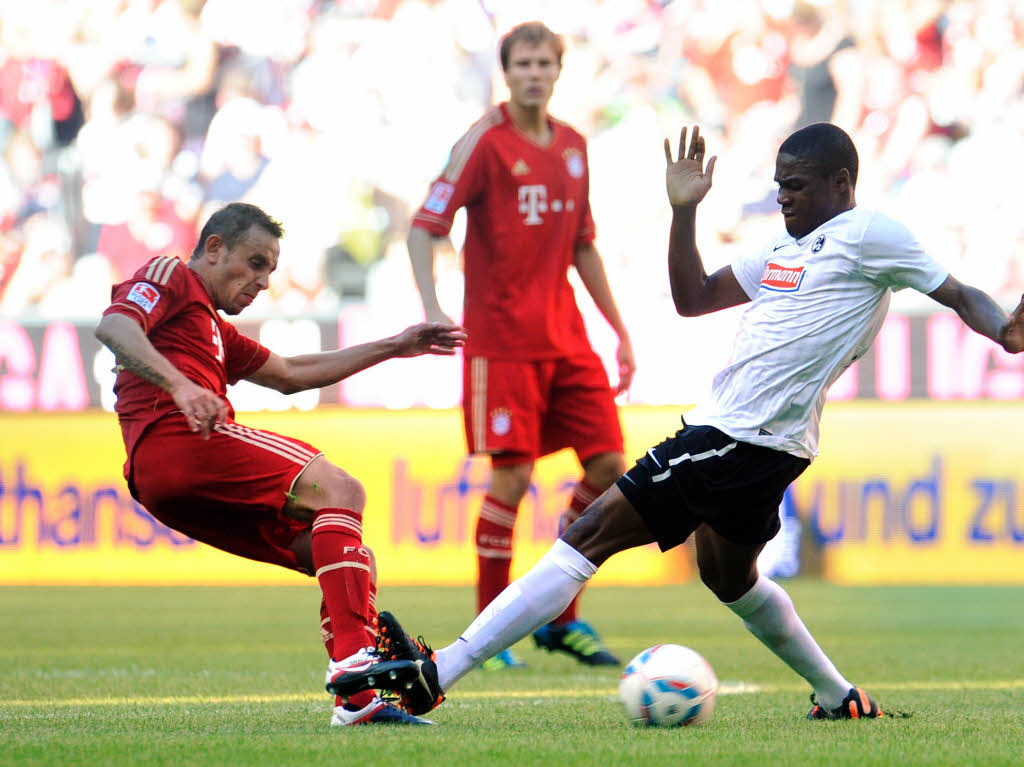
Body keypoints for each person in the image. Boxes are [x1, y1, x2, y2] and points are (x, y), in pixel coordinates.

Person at [333, 123, 1024, 720]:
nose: (782, 195)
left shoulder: (870, 233)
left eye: (797, 184)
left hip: (733, 437)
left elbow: (959, 292)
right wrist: (683, 212)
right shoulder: (780, 251)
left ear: (842, 183)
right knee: (729, 577)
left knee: (586, 533)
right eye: (779, 183)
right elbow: (692, 297)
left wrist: (1006, 333)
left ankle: (439, 672)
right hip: (765, 445)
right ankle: (837, 693)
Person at [94, 202, 466, 727]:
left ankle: (356, 703)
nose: (263, 281)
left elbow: (291, 372)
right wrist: (180, 386)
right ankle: (355, 661)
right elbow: (114, 327)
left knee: (346, 560)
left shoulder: (213, 330)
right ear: (215, 247)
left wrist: (395, 345)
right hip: (179, 441)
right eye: (256, 262)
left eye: (270, 269)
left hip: (164, 486)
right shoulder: (171, 276)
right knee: (341, 489)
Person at [407, 21, 634, 669]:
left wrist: (618, 327)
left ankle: (560, 618)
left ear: (558, 71)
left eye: (544, 63)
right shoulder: (485, 140)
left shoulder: (574, 147)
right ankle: (492, 630)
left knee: (610, 469)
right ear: (506, 72)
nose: (534, 72)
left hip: (568, 340)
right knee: (513, 477)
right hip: (501, 342)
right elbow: (424, 228)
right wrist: (432, 306)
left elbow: (583, 243)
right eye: (523, 63)